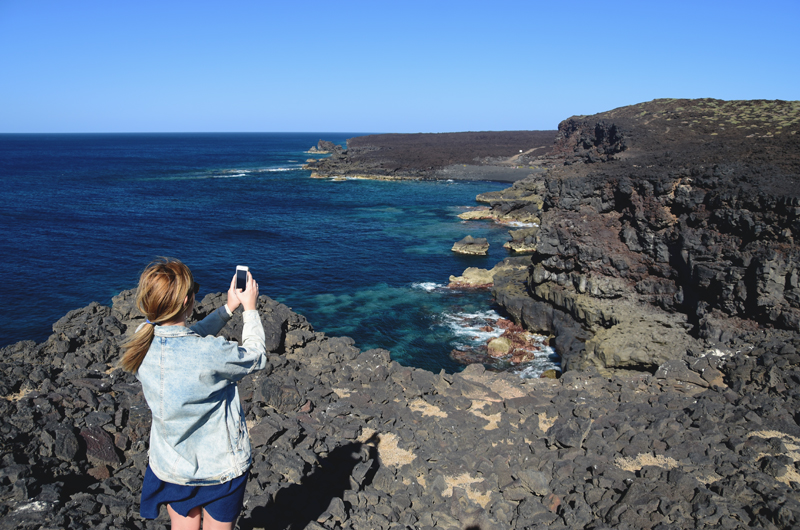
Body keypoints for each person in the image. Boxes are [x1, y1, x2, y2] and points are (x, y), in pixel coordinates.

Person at [120, 258, 267, 530]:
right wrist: (249, 310)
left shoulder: (142, 339)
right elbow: (256, 357)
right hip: (220, 469)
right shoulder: (210, 353)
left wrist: (227, 309)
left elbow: (185, 337)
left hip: (172, 466)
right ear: (188, 300)